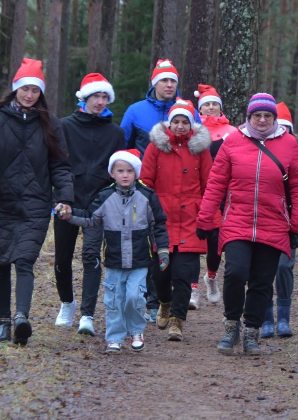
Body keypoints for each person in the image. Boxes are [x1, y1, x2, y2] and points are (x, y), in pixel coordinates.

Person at [197, 93, 298, 356]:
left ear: (274, 118)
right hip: (237, 220)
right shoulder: (232, 141)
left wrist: (297, 224)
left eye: (267, 115)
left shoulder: (289, 144)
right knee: (235, 272)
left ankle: (252, 331)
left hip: (274, 223)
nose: (261, 120)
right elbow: (216, 182)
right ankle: (231, 324)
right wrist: (205, 217)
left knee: (261, 280)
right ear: (248, 117)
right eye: (256, 115)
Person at [0, 58, 73, 346]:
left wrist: (64, 197)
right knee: (1, 262)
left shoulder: (50, 123)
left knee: (25, 260)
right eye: (25, 89)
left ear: (40, 93)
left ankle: (21, 318)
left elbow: (61, 166)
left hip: (35, 204)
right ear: (16, 89)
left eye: (35, 91)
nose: (29, 95)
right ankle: (3, 323)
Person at [56, 150, 169, 354]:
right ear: (112, 174)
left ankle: (136, 331)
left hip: (140, 259)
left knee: (135, 297)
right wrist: (69, 215)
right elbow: (90, 218)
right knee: (114, 300)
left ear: (136, 173)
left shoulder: (147, 196)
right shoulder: (105, 196)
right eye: (120, 171)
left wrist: (162, 250)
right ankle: (115, 337)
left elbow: (158, 224)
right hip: (114, 259)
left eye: (129, 171)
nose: (125, 175)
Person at [53, 73, 125, 336]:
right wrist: (59, 197)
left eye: (106, 97)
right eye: (97, 95)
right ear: (85, 97)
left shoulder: (116, 132)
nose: (101, 101)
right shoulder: (64, 126)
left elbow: (119, 169)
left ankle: (87, 314)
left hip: (99, 205)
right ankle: (67, 303)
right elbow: (56, 164)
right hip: (67, 201)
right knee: (62, 258)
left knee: (91, 257)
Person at [140, 99, 212, 341]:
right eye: (176, 122)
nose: (180, 126)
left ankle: (178, 321)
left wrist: (207, 216)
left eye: (185, 122)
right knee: (160, 272)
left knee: (183, 273)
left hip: (191, 219)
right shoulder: (155, 148)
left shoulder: (200, 150)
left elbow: (209, 185)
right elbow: (146, 182)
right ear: (169, 123)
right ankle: (165, 303)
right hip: (161, 219)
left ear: (191, 125)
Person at [261, 102, 298, 339]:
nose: (281, 132)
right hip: (262, 218)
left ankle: (283, 318)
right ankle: (264, 319)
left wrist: (295, 203)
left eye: (285, 128)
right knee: (262, 270)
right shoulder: (258, 148)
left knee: (284, 267)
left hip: (288, 221)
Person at [195, 84, 237, 305]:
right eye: (207, 104)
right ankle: (192, 288)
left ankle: (211, 276)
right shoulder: (191, 129)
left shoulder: (231, 132)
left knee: (215, 242)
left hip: (222, 193)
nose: (211, 108)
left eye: (214, 104)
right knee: (191, 242)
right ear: (199, 109)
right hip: (195, 192)